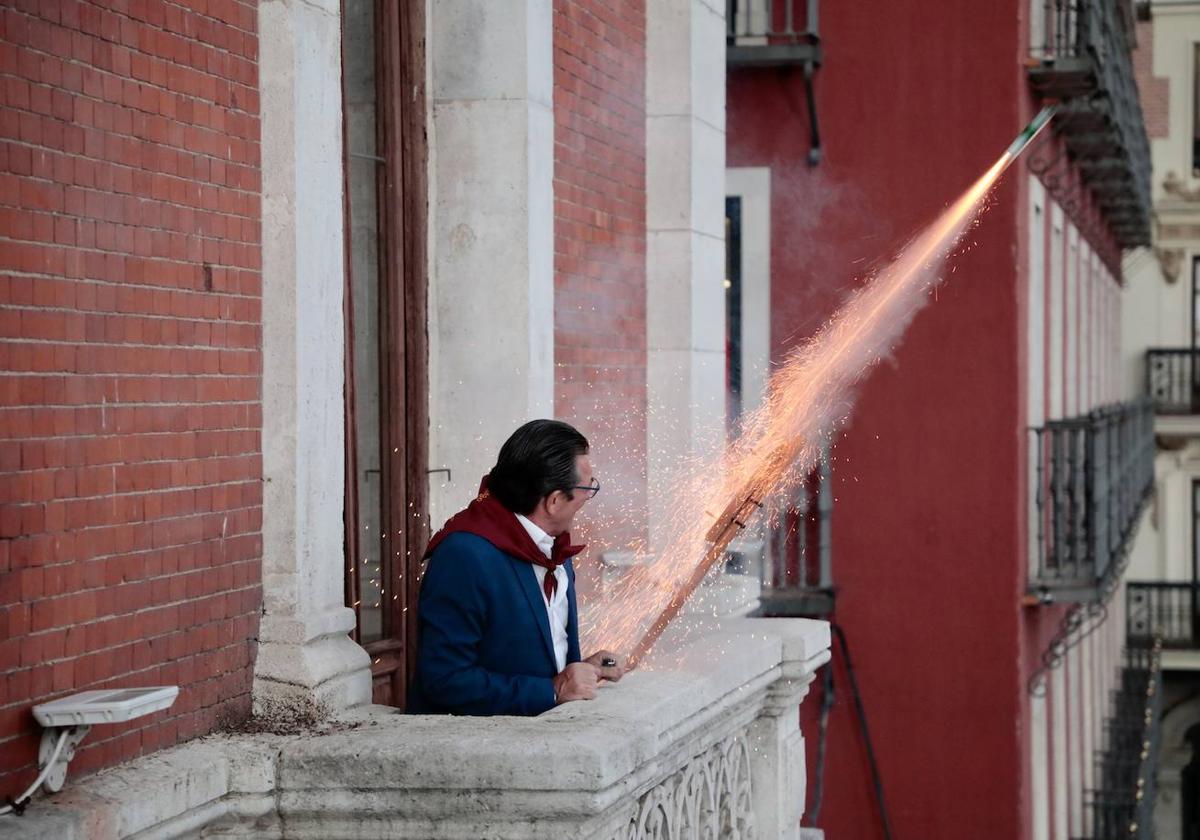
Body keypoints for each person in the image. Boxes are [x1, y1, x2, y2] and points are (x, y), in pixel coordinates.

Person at [408, 419, 626, 715]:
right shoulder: (464, 557)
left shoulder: (555, 548)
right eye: (587, 488)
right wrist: (552, 690)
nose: (589, 495)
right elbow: (444, 680)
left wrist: (578, 672)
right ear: (554, 501)